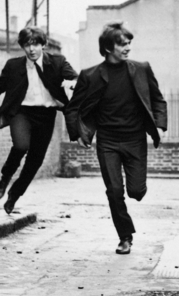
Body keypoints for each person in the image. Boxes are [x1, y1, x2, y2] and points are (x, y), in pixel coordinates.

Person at [65, 21, 167, 255]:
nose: (127, 48)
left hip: (135, 140)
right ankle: (125, 237)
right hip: (108, 141)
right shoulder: (90, 75)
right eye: (122, 44)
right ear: (108, 47)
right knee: (114, 191)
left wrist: (160, 126)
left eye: (129, 43)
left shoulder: (141, 68)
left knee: (136, 192)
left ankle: (134, 202)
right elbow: (73, 108)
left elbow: (158, 99)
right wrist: (77, 134)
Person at [0, 26, 78, 214]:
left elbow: (75, 78)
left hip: (46, 115)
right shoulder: (13, 65)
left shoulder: (58, 62)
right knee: (21, 146)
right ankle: (5, 178)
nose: (31, 50)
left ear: (43, 44)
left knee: (35, 161)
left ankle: (14, 195)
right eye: (27, 45)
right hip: (21, 112)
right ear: (22, 47)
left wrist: (72, 83)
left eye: (35, 44)